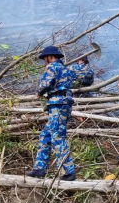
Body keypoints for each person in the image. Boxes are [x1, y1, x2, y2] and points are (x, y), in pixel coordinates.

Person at [27, 46, 94, 181]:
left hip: (57, 104)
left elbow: (46, 83)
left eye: (45, 59)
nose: (45, 61)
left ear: (49, 57)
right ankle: (40, 168)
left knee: (57, 136)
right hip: (64, 104)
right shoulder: (67, 70)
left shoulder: (52, 67)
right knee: (46, 135)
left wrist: (39, 92)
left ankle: (68, 171)